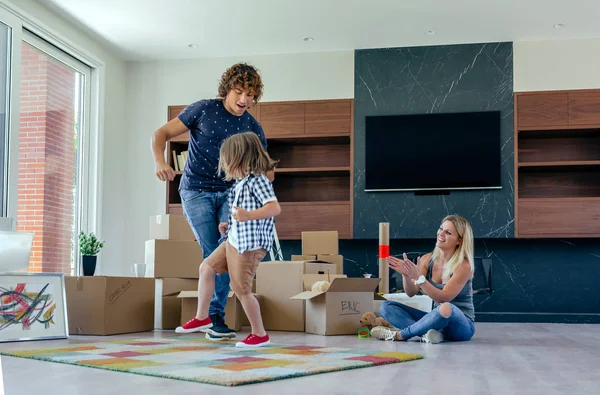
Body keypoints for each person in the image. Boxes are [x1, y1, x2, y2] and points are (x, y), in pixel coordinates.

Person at [151, 63, 268, 340]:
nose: (244, 100)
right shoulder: (203, 109)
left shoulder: (251, 125)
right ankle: (212, 318)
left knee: (229, 251)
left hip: (231, 192)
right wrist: (160, 161)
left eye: (250, 95)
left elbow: (265, 169)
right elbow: (160, 134)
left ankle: (214, 317)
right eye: (239, 92)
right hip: (196, 190)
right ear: (227, 89)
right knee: (211, 250)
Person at [175, 132, 280, 348]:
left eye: (228, 160)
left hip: (248, 245)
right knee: (206, 267)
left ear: (241, 158)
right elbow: (238, 214)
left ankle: (260, 334)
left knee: (241, 289)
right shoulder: (238, 185)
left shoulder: (257, 181)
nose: (225, 164)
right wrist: (228, 226)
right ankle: (203, 317)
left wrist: (248, 216)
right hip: (233, 239)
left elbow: (274, 208)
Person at [370, 214, 476, 344]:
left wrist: (420, 279)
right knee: (386, 306)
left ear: (459, 240)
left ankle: (400, 335)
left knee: (447, 307)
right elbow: (411, 292)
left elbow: (443, 298)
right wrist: (407, 275)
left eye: (447, 232)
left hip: (461, 325)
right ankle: (431, 334)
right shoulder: (427, 260)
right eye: (440, 229)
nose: (440, 234)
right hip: (437, 319)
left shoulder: (464, 266)